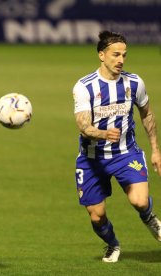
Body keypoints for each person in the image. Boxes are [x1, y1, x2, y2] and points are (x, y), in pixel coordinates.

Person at [73, 30, 161, 263]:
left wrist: (155, 150)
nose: (121, 60)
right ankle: (112, 244)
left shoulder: (134, 82)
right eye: (115, 55)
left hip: (125, 153)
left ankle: (149, 217)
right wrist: (102, 133)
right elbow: (83, 126)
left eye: (124, 55)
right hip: (92, 159)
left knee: (140, 201)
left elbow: (147, 115)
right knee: (96, 216)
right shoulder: (84, 87)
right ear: (102, 55)